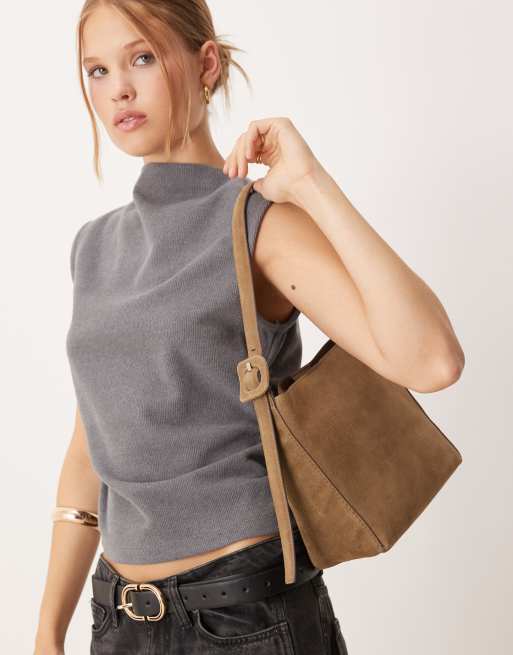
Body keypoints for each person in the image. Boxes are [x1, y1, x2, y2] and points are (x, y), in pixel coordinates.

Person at [34, 1, 465, 654]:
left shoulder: (254, 223)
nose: (118, 88)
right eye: (97, 70)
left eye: (141, 58)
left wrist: (311, 185)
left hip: (243, 618)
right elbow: (88, 449)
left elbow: (432, 360)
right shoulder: (93, 248)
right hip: (117, 620)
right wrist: (48, 629)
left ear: (205, 64)